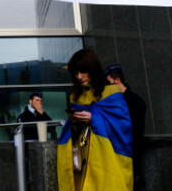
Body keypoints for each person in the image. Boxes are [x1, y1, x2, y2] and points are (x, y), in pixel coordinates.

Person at [57, 50, 132, 191]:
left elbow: (124, 126)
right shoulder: (75, 97)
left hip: (105, 157)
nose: (79, 77)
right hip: (82, 157)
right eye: (76, 73)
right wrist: (73, 122)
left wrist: (93, 118)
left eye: (83, 72)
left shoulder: (112, 92)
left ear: (93, 69)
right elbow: (74, 133)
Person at [104, 63, 147, 191]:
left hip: (128, 156)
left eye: (109, 84)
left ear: (117, 81)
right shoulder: (114, 102)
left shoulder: (135, 102)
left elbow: (134, 131)